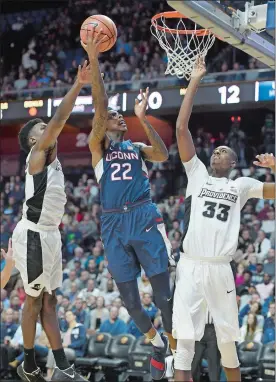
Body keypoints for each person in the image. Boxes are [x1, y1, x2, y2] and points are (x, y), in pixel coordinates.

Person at [173, 57, 275, 382]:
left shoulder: (241, 185)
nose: (217, 152)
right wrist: (196, 79)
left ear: (233, 162)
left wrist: (274, 165)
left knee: (227, 342)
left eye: (224, 151)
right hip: (190, 264)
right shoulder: (197, 174)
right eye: (215, 149)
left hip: (220, 267)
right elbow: (180, 128)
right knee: (184, 345)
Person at [81, 31, 175, 380]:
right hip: (112, 224)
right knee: (131, 302)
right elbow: (101, 108)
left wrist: (143, 118)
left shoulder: (135, 147)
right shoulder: (98, 147)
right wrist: (95, 62)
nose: (118, 116)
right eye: (114, 115)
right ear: (103, 124)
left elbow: (163, 155)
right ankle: (155, 343)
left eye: (122, 115)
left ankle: (175, 351)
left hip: (142, 214)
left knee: (164, 296)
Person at [11, 61, 92, 381]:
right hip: (32, 236)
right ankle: (29, 363)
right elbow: (60, 119)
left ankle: (62, 363)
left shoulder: (53, 161)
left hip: (50, 236)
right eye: (41, 129)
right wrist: (78, 84)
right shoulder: (37, 156)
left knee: (51, 300)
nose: (48, 131)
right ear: (34, 141)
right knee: (33, 301)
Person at [46, 310, 86, 379]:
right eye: (66, 316)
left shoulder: (80, 327)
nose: (68, 317)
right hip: (64, 349)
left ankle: (55, 376)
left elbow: (81, 341)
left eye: (69, 315)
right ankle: (49, 374)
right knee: (51, 350)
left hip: (75, 351)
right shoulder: (65, 329)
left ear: (74, 316)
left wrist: (68, 346)